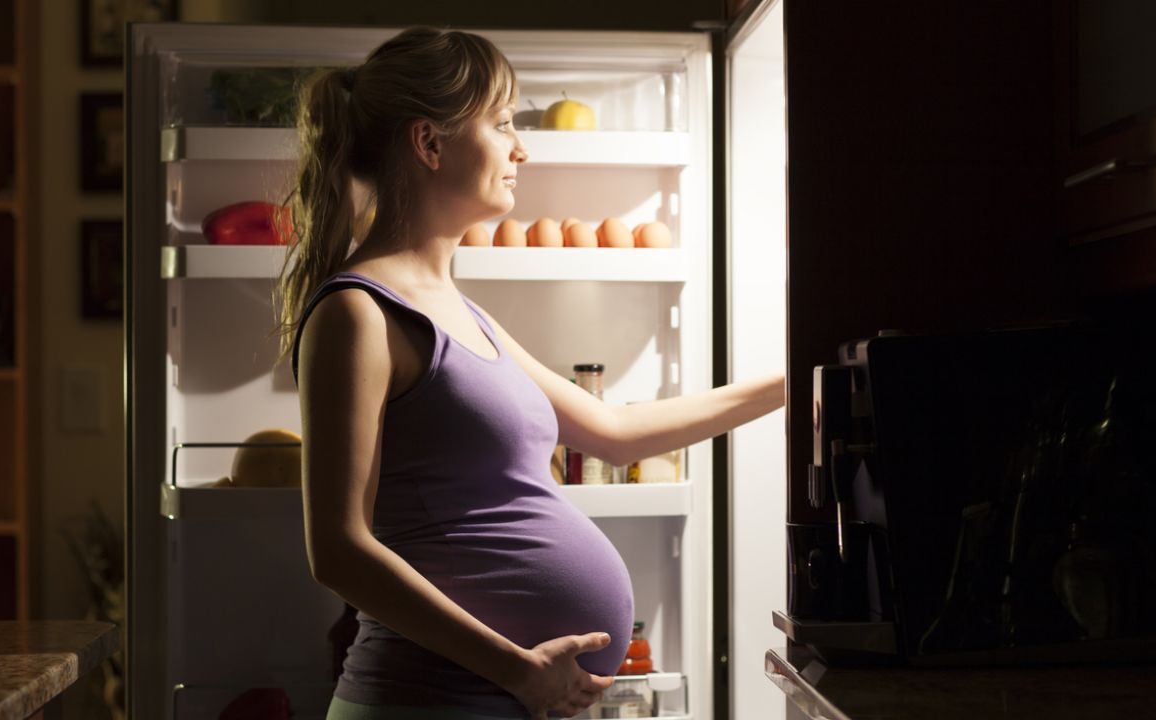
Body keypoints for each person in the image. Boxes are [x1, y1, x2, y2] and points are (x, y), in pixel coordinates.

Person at [276, 27, 785, 720]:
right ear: (429, 144)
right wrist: (515, 668)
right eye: (504, 123)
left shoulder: (462, 313)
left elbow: (615, 431)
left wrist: (790, 384)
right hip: (427, 701)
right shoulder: (359, 314)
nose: (522, 148)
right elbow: (338, 551)